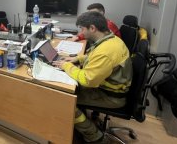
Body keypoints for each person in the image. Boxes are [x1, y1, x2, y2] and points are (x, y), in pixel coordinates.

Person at [53, 11, 132, 142]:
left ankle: (94, 135)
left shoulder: (106, 51)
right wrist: (78, 59)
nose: (81, 33)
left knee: (63, 98)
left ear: (92, 28)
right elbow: (95, 58)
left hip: (111, 96)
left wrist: (66, 66)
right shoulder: (112, 40)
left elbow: (87, 80)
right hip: (112, 88)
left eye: (82, 29)